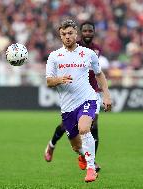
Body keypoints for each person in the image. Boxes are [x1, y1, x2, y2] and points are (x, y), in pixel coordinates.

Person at [45, 19, 111, 182]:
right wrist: (59, 79)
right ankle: (83, 156)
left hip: (88, 98)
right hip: (68, 107)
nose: (67, 36)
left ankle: (90, 169)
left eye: (70, 33)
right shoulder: (54, 56)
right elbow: (48, 82)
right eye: (63, 34)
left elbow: (99, 74)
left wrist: (106, 95)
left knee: (84, 128)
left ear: (76, 34)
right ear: (60, 36)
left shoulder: (88, 54)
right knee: (76, 146)